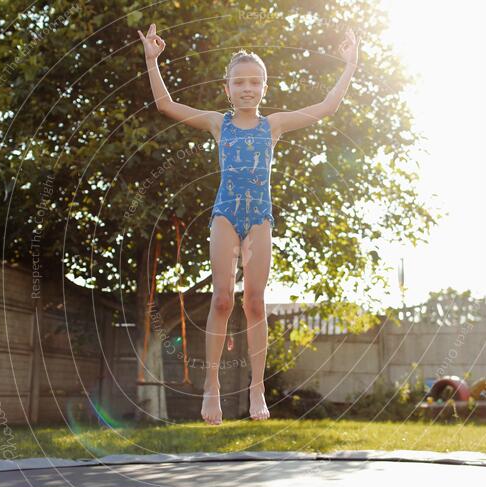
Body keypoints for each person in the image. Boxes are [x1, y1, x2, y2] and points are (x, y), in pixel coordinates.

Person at [138, 23, 359, 424]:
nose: (247, 88)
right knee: (222, 299)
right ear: (227, 88)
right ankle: (212, 387)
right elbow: (166, 105)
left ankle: (257, 388)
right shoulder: (218, 123)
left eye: (254, 82)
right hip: (225, 213)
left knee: (254, 302)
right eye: (239, 82)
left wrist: (350, 64)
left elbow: (327, 107)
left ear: (263, 88)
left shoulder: (272, 125)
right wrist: (153, 61)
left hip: (258, 216)